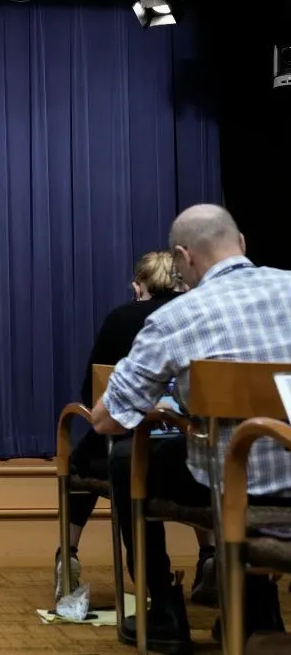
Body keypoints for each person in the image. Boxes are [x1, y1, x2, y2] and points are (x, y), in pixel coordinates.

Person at [92, 204, 291, 653]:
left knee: (127, 460)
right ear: (241, 244)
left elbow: (107, 419)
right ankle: (257, 612)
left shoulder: (175, 317)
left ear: (183, 258)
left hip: (232, 486)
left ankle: (162, 611)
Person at [57, 252, 216, 605]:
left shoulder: (122, 318)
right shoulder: (204, 315)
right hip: (204, 447)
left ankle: (68, 553)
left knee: (90, 459)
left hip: (130, 443)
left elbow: (94, 393)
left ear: (137, 285)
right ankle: (209, 557)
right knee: (196, 457)